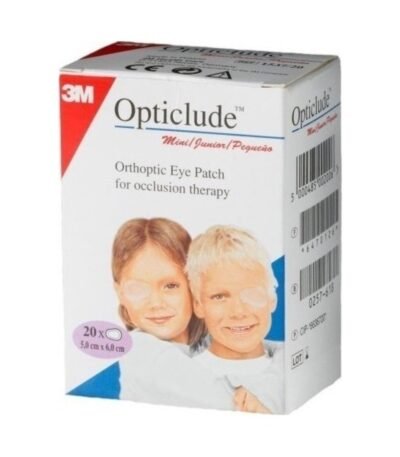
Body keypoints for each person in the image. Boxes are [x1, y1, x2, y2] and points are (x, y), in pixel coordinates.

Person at [186, 225, 284, 414]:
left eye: (251, 293)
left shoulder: (293, 369)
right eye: (219, 297)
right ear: (198, 304)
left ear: (272, 299)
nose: (238, 312)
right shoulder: (184, 376)